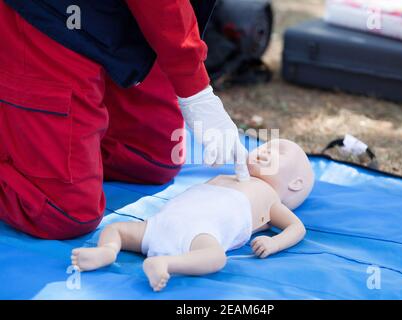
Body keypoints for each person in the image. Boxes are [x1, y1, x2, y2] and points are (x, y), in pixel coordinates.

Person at [0, 0, 248, 239]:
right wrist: (195, 89)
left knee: (148, 158)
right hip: (49, 13)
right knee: (61, 212)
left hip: (109, 14)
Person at [71, 139, 315, 292]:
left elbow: (297, 228)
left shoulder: (270, 198)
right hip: (161, 223)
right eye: (264, 146)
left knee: (216, 257)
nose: (264, 149)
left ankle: (166, 264)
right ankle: (107, 251)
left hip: (200, 234)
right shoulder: (233, 175)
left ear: (295, 183)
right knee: (116, 229)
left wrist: (274, 243)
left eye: (277, 151)